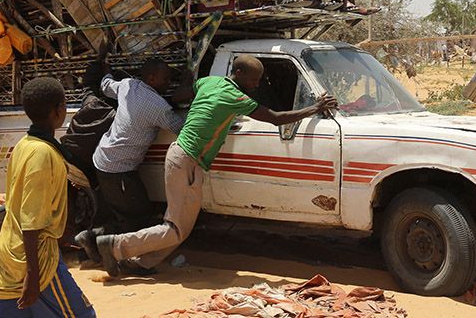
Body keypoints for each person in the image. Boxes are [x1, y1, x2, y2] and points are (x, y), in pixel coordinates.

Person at [91, 54, 337, 276]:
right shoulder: (235, 96)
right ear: (238, 75)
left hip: (183, 158)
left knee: (182, 226)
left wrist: (190, 82)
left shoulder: (210, 82)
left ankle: (139, 263)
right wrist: (314, 108)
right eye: (254, 79)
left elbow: (180, 94)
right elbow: (274, 118)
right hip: (187, 162)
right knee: (176, 229)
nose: (257, 84)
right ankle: (113, 245)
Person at [0, 77, 96, 318]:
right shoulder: (43, 154)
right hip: (37, 261)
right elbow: (32, 219)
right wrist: (33, 277)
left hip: (10, 253)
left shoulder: (24, 145)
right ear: (58, 110)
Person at [74, 59, 186, 270]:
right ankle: (106, 248)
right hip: (119, 169)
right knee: (137, 217)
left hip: (104, 160)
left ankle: (92, 239)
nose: (169, 82)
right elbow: (182, 129)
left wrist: (106, 68)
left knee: (127, 211)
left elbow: (106, 85)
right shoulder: (159, 108)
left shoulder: (128, 85)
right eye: (166, 79)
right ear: (151, 78)